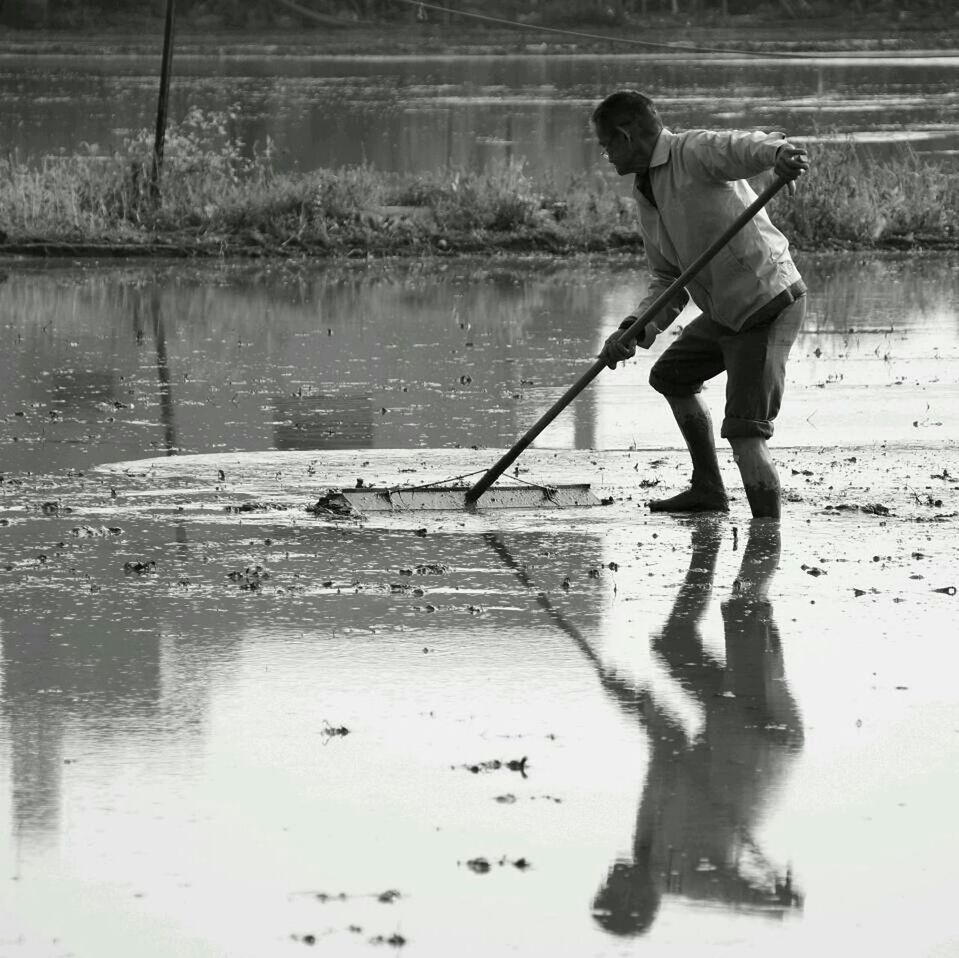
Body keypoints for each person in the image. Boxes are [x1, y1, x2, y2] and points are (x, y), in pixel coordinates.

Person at [594, 90, 810, 519]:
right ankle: (708, 488)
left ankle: (766, 540)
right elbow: (669, 278)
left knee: (745, 433)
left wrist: (780, 153)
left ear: (624, 136)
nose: (606, 155)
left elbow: (747, 146)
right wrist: (633, 328)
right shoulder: (647, 190)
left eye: (606, 146)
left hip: (765, 303)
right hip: (726, 313)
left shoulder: (692, 152)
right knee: (673, 376)